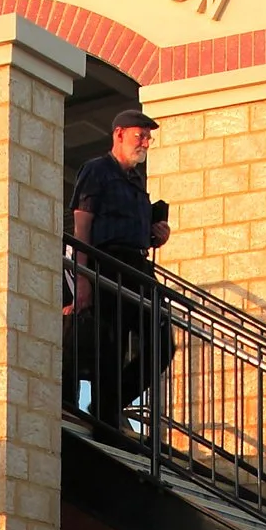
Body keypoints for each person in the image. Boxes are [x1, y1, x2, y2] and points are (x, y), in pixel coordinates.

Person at [65, 113, 171, 439]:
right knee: (109, 345)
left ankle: (107, 406)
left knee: (162, 344)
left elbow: (134, 229)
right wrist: (82, 276)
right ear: (119, 134)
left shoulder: (136, 181)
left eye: (148, 137)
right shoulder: (97, 170)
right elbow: (82, 225)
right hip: (105, 263)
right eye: (140, 136)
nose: (145, 142)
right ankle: (106, 416)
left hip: (136, 265)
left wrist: (157, 233)